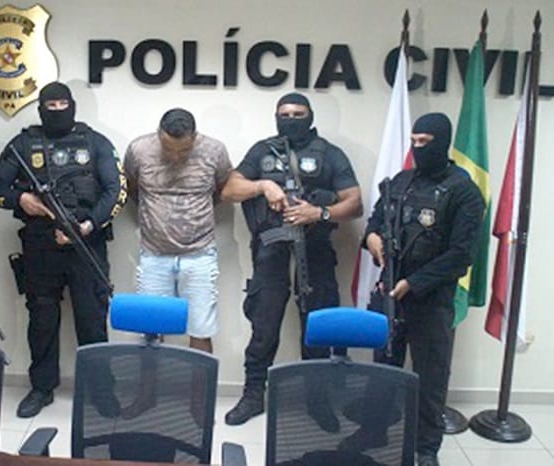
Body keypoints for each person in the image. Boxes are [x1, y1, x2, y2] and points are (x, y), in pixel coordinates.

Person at [220, 92, 363, 426]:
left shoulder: (329, 154)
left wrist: (320, 212)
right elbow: (229, 190)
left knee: (317, 327)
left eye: (298, 114)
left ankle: (317, 400)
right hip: (271, 251)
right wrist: (262, 186)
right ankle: (253, 394)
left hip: (316, 251)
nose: (291, 119)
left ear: (310, 116)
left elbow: (355, 203)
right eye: (284, 114)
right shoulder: (262, 151)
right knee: (264, 326)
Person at [0, 81, 127, 418]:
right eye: (51, 106)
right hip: (40, 247)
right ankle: (42, 387)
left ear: (73, 106)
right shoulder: (24, 144)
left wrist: (87, 225)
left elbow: (116, 189)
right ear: (41, 109)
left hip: (86, 244)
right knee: (42, 319)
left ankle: (100, 390)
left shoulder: (95, 142)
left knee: (92, 320)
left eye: (64, 104)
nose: (58, 111)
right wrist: (21, 198)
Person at [357, 113, 485, 466]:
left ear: (442, 142)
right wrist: (372, 237)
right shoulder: (400, 182)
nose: (417, 148)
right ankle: (374, 430)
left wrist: (412, 284)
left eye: (425, 142)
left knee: (430, 378)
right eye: (413, 141)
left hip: (430, 299)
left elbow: (461, 256)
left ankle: (426, 448)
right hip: (389, 291)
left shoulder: (464, 192)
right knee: (383, 368)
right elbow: (375, 222)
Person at [123, 108, 232, 353]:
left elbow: (223, 190)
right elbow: (130, 188)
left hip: (200, 254)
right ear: (158, 134)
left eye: (183, 151)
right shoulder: (139, 150)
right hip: (154, 254)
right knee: (150, 330)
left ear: (195, 137)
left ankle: (200, 381)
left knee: (201, 328)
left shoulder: (214, 150)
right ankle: (152, 380)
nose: (175, 157)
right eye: (168, 149)